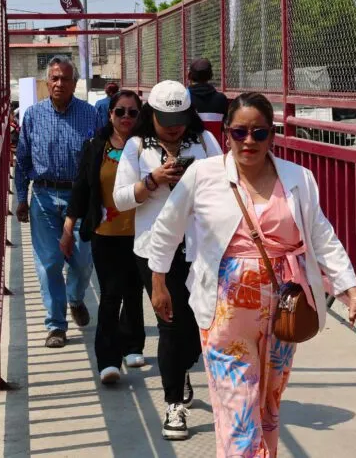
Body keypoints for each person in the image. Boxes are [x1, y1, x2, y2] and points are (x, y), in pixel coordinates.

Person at [147, 92, 356, 456]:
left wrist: (353, 293)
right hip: (225, 311)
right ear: (225, 134)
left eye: (259, 133)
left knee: (267, 403)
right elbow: (166, 229)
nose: (248, 141)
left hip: (286, 307)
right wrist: (158, 282)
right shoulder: (203, 175)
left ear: (273, 135)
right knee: (237, 408)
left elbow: (321, 236)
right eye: (239, 133)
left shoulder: (298, 178)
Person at [113, 80, 223, 441]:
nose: (174, 125)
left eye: (180, 116)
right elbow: (121, 199)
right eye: (165, 118)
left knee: (198, 324)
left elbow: (227, 182)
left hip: (200, 246)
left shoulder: (205, 142)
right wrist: (153, 180)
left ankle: (181, 366)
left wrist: (196, 181)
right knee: (171, 324)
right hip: (156, 251)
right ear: (152, 115)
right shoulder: (136, 146)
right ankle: (174, 403)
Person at [62, 89, 146, 385]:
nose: (126, 117)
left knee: (135, 291)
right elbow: (82, 187)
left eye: (132, 112)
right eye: (120, 111)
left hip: (143, 231)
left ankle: (133, 346)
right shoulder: (95, 146)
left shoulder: (148, 146)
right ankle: (108, 360)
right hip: (105, 232)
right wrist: (69, 225)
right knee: (111, 294)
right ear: (110, 114)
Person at [15, 56, 99, 348]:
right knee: (49, 262)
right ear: (46, 82)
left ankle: (75, 298)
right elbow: (23, 159)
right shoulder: (33, 116)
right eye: (54, 78)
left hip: (82, 198)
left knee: (83, 261)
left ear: (75, 83)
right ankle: (56, 325)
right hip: (44, 196)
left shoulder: (91, 115)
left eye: (65, 78)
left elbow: (101, 160)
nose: (59, 83)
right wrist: (21, 198)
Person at [187, 58, 228, 144]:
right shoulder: (221, 100)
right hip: (215, 153)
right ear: (211, 76)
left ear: (189, 75)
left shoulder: (184, 98)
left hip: (190, 152)